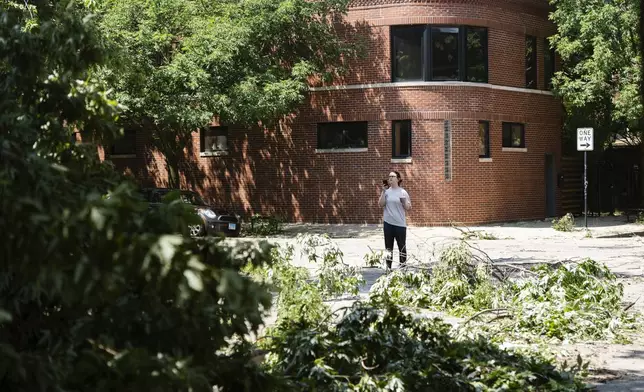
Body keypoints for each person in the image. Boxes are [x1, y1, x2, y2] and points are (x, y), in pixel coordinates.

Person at [378, 171, 411, 270]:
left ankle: (403, 267)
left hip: (400, 224)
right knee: (388, 248)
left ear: (398, 179)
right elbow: (381, 204)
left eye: (393, 176)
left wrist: (404, 202)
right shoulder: (386, 192)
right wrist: (383, 191)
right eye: (389, 177)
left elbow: (408, 207)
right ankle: (388, 268)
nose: (390, 178)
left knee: (402, 247)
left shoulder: (403, 192)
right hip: (388, 224)